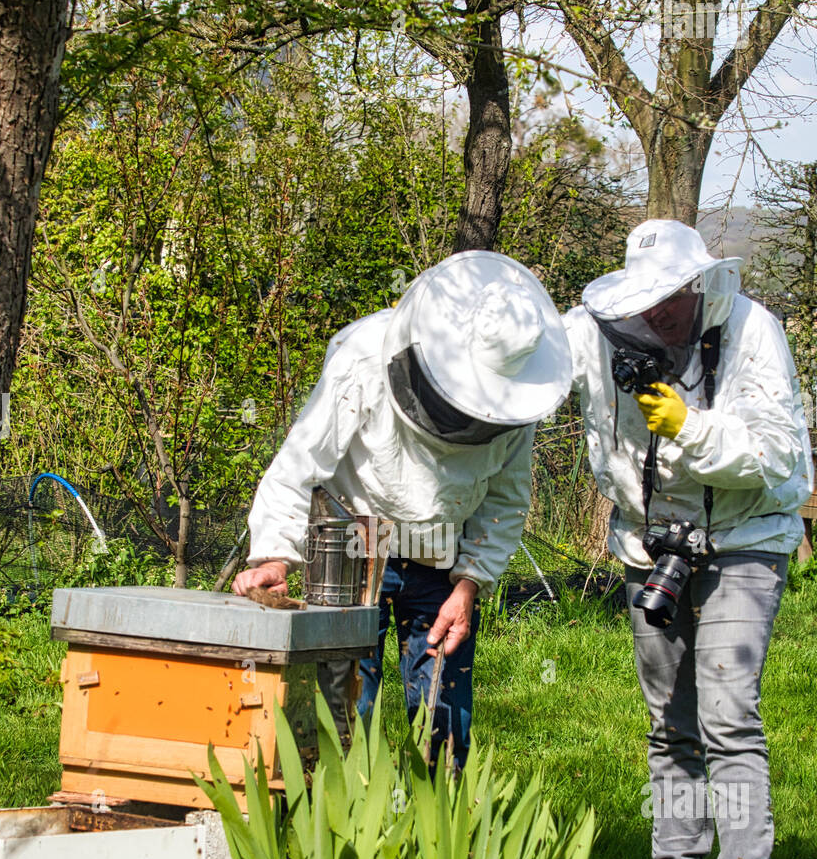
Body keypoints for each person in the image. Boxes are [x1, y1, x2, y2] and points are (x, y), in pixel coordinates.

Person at [564, 219, 813, 859]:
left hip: (745, 540)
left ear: (698, 284)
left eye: (670, 298)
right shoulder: (597, 330)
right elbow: (524, 358)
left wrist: (689, 427)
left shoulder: (751, 331)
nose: (659, 314)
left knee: (727, 715)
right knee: (666, 721)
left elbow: (775, 460)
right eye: (646, 301)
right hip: (653, 547)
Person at [232, 251, 572, 767]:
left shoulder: (517, 396)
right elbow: (303, 458)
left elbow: (506, 498)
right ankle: (338, 831)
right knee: (342, 713)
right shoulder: (365, 356)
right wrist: (276, 555)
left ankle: (440, 834)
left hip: (442, 558)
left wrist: (470, 584)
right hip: (351, 544)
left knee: (444, 720)